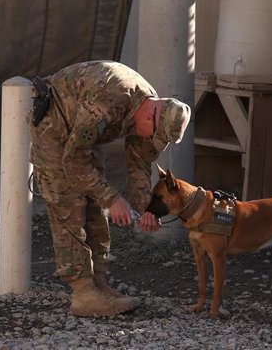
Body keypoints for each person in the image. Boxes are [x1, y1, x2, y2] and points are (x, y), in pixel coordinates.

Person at [29, 60, 191, 317]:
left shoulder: (151, 115)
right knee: (67, 199)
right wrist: (113, 199)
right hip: (55, 120)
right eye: (154, 134)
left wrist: (146, 211)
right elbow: (73, 160)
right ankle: (83, 292)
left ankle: (99, 284)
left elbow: (139, 165)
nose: (151, 140)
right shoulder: (108, 101)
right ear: (150, 115)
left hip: (82, 131)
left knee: (95, 203)